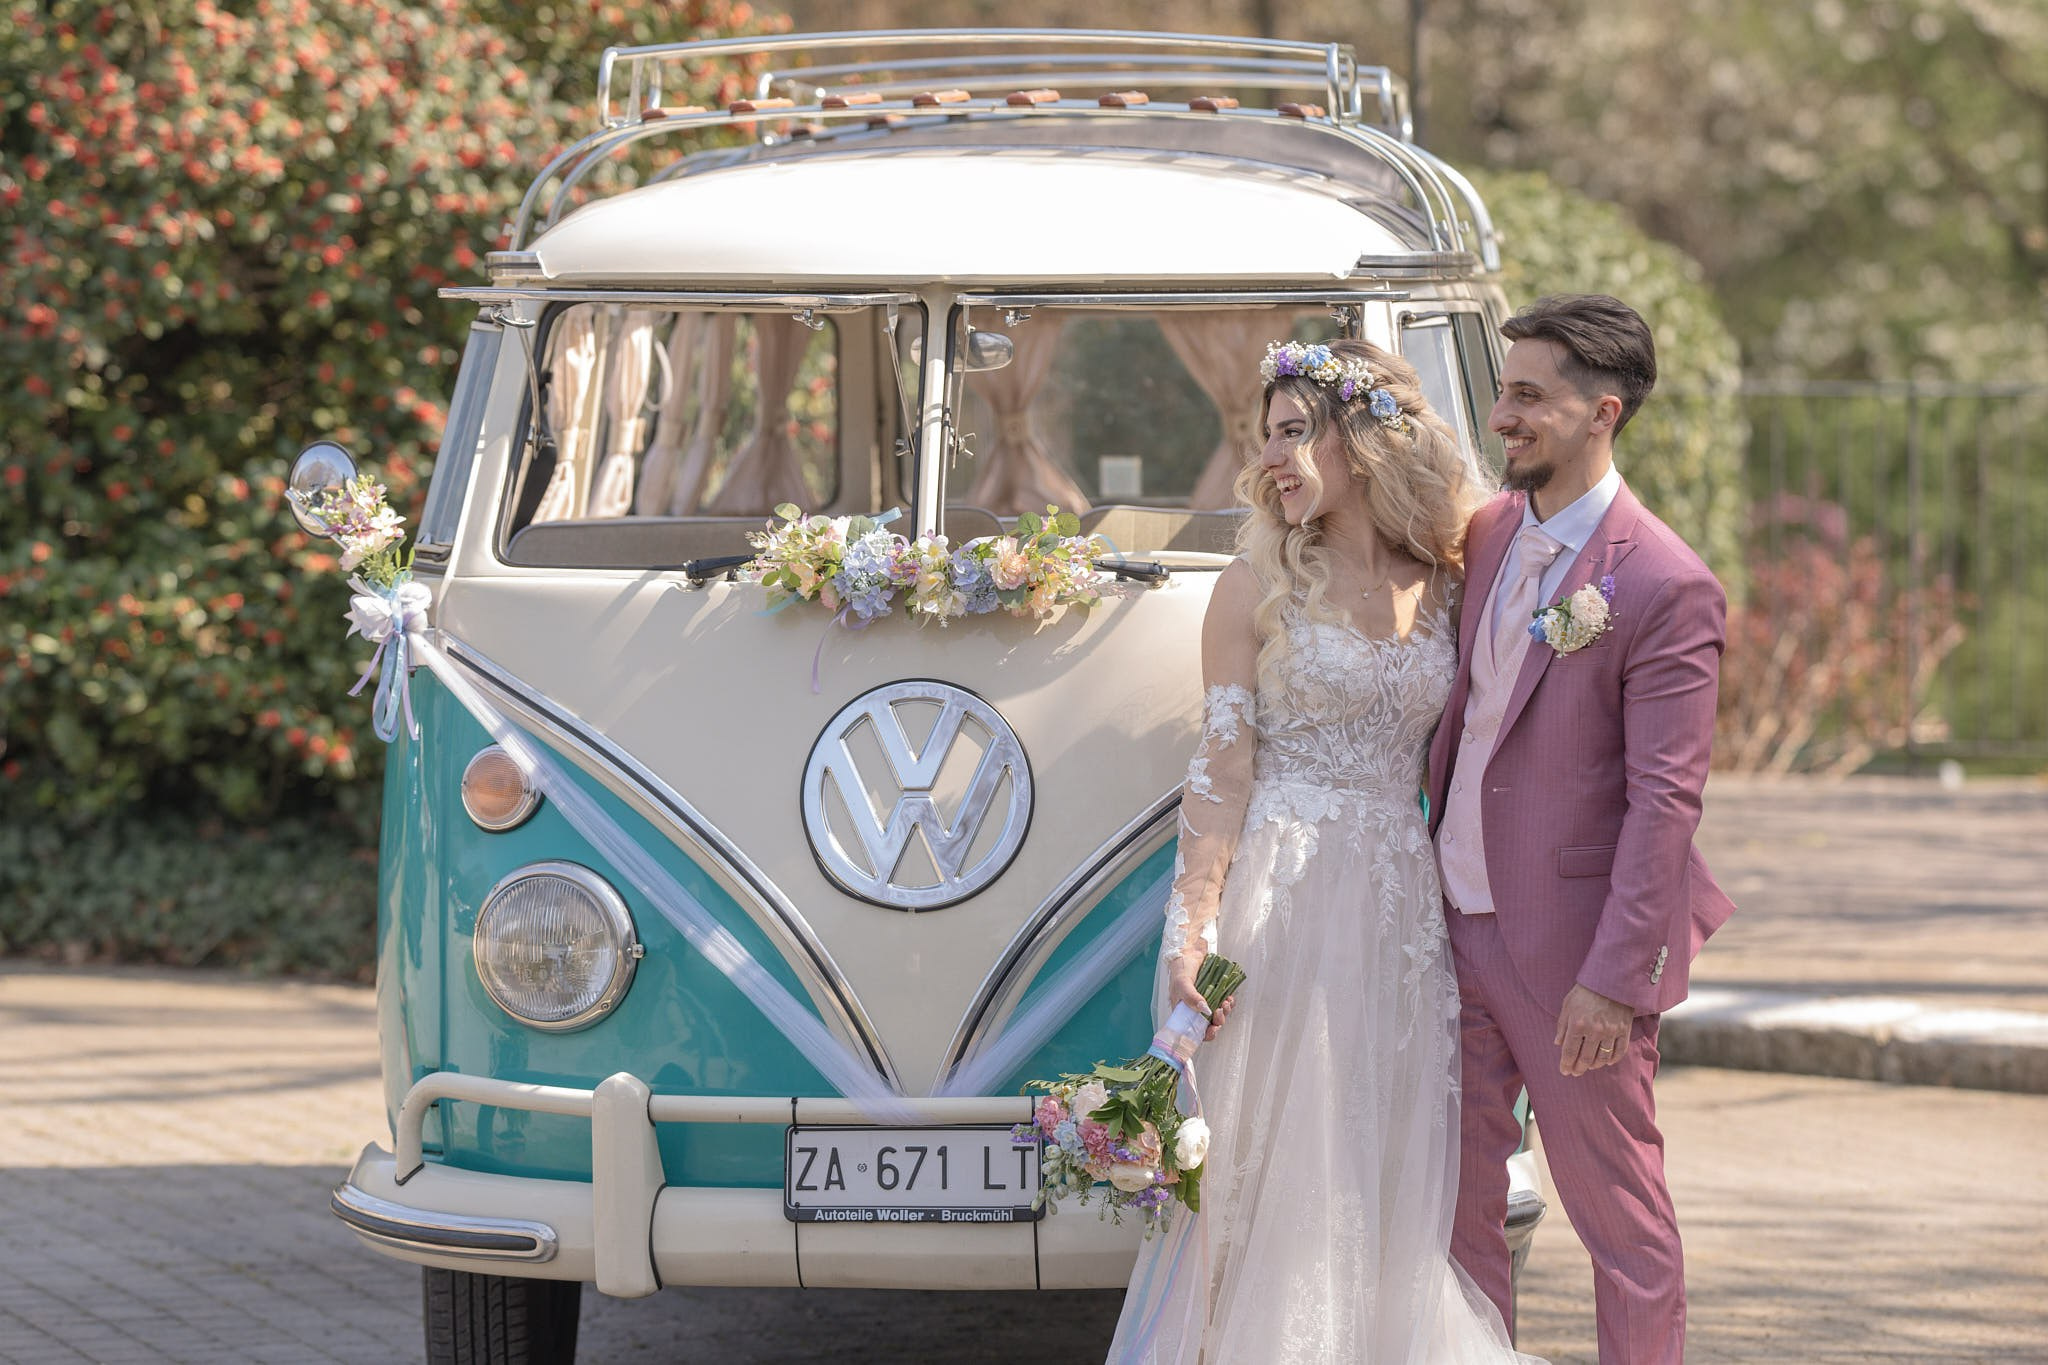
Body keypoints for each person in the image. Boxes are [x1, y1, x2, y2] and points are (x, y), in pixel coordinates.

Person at [1107, 338, 1539, 1363]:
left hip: (1402, 913)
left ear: (1366, 440)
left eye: (1296, 432)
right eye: (1266, 439)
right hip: (1282, 904)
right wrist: (1190, 934)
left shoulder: (1446, 581)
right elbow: (1218, 773)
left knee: (1379, 1164)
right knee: (1265, 1175)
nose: (1273, 459)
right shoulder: (1249, 584)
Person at [1429, 294, 1735, 1364]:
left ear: (1600, 411)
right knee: (1454, 1210)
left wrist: (1613, 977)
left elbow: (1665, 801)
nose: (1500, 416)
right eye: (1500, 391)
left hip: (1571, 956)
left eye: (1526, 397)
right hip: (1447, 926)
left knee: (1617, 1220)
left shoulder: (1661, 583)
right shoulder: (1484, 532)